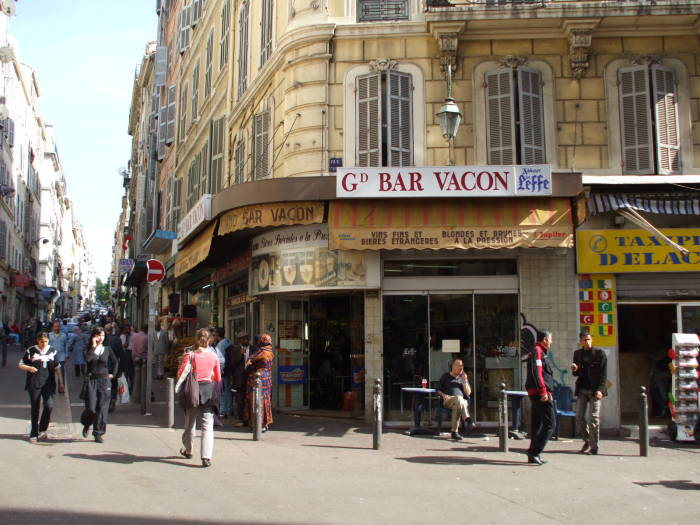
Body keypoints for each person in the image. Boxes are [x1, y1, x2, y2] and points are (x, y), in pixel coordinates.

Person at [176, 328, 221, 467]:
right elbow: (218, 377)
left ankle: (188, 450)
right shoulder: (214, 356)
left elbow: (180, 373)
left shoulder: (190, 355)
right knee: (207, 425)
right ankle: (206, 457)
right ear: (209, 340)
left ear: (196, 339)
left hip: (193, 391)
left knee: (190, 423)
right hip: (208, 391)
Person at [18, 332, 59, 442]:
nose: (44, 344)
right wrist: (29, 368)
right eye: (41, 342)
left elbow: (57, 367)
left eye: (46, 342)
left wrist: (61, 382)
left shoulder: (53, 351)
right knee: (35, 407)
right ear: (37, 341)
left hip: (48, 382)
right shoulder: (31, 351)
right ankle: (33, 433)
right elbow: (21, 364)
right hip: (34, 382)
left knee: (49, 405)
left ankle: (43, 429)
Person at [571, 333, 608, 455]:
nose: (587, 342)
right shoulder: (577, 354)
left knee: (593, 419)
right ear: (581, 341)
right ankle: (587, 440)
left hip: (594, 391)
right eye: (585, 340)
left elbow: (603, 374)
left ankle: (594, 447)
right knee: (579, 416)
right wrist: (575, 369)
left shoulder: (599, 354)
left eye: (589, 339)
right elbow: (576, 374)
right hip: (582, 389)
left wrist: (600, 389)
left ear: (592, 340)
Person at [80, 326, 118, 443]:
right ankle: (87, 424)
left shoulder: (107, 349)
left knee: (102, 408)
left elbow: (115, 361)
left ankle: (98, 432)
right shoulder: (89, 349)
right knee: (91, 407)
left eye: (102, 335)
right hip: (92, 380)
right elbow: (88, 359)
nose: (101, 338)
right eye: (98, 335)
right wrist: (94, 346)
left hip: (104, 380)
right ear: (93, 336)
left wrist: (113, 374)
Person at [525, 330, 555, 466]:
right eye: (550, 339)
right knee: (550, 423)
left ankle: (533, 453)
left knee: (537, 424)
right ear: (544, 339)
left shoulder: (542, 352)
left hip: (540, 393)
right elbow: (536, 373)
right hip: (539, 394)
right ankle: (535, 452)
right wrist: (543, 392)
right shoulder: (537, 351)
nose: (551, 342)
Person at [244, 333, 275, 432]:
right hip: (267, 378)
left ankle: (258, 423)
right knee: (266, 400)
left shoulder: (261, 352)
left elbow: (249, 363)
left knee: (256, 400)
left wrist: (248, 361)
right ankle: (265, 423)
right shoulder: (270, 351)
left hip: (258, 378)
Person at [436, 358, 472, 440]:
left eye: (462, 366)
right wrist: (443, 395)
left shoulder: (462, 379)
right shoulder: (445, 376)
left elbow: (468, 393)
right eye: (459, 366)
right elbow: (437, 390)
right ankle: (467, 418)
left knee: (458, 405)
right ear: (453, 366)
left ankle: (454, 432)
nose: (461, 368)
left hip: (461, 402)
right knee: (459, 399)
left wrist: (465, 380)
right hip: (448, 400)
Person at [231, 331, 252, 427]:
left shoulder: (254, 349)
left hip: (251, 378)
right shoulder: (235, 350)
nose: (245, 341)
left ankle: (251, 418)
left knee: (251, 399)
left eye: (246, 338)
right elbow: (232, 363)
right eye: (243, 339)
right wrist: (240, 355)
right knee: (240, 400)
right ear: (239, 341)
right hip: (240, 379)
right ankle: (241, 419)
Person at [104, 323, 124, 413]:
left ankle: (106, 400)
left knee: (104, 385)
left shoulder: (102, 340)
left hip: (103, 367)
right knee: (114, 384)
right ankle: (112, 399)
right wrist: (121, 369)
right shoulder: (117, 340)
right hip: (114, 367)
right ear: (112, 330)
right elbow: (121, 355)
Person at [215, 327, 234, 418]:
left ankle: (223, 410)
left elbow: (220, 359)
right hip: (230, 369)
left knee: (222, 391)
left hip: (223, 370)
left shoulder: (220, 345)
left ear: (217, 335)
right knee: (228, 389)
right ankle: (230, 408)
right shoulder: (229, 341)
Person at [48, 321, 68, 394]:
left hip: (61, 357)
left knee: (61, 373)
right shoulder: (49, 335)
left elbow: (66, 345)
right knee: (51, 373)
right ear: (53, 327)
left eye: (58, 326)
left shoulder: (64, 335)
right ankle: (52, 389)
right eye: (55, 326)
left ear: (60, 327)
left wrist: (66, 355)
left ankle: (61, 388)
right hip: (51, 357)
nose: (57, 328)